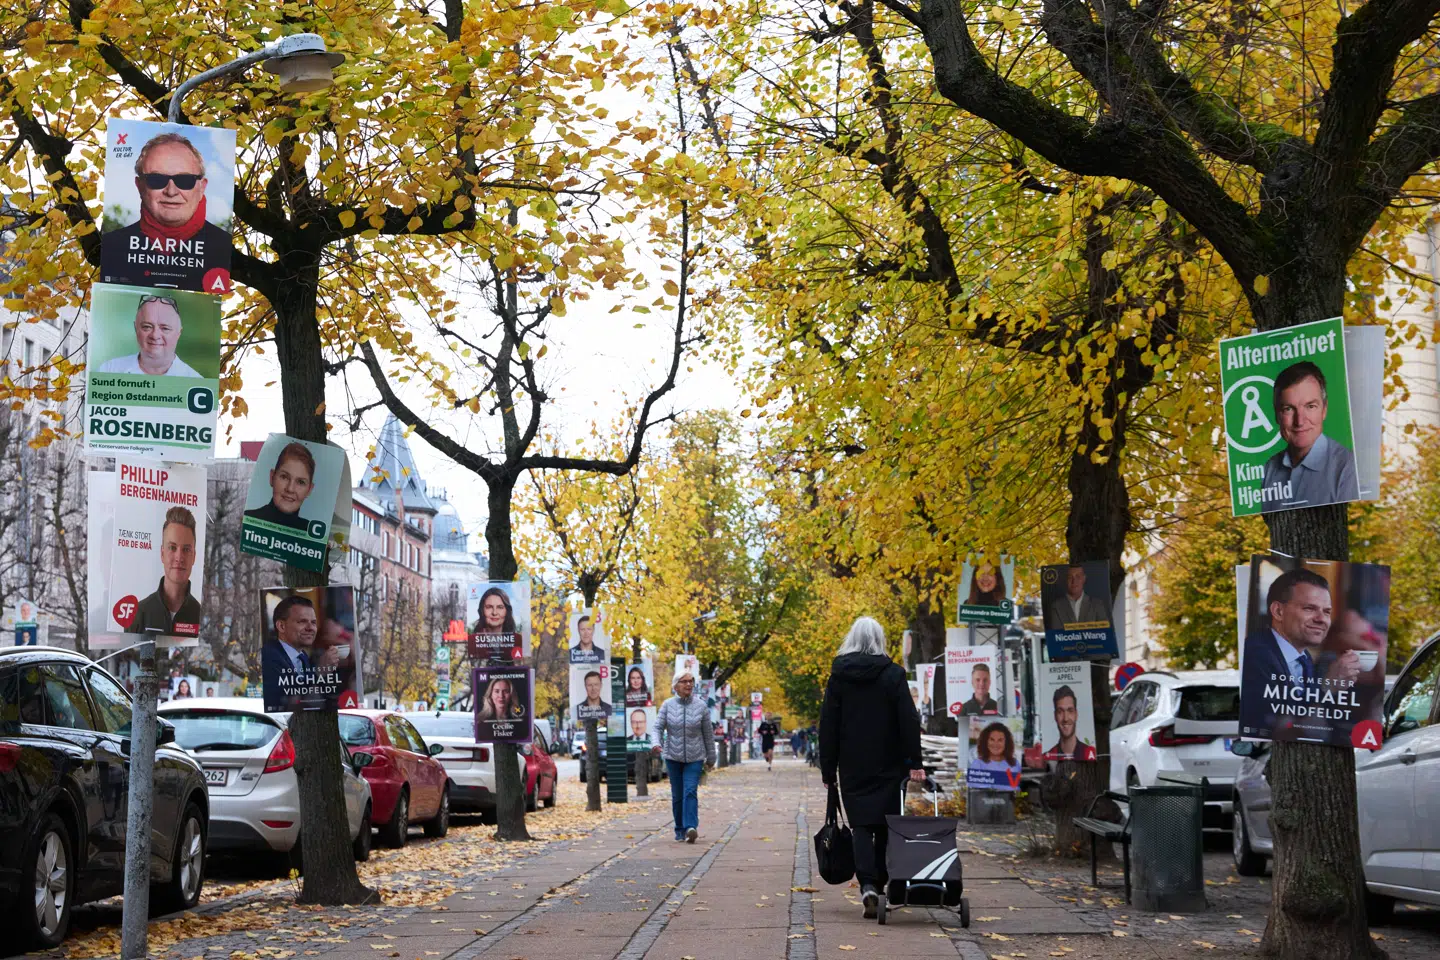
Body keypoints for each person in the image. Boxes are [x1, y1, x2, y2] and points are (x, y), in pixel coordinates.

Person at [819, 617, 924, 919]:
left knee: (861, 826)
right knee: (886, 824)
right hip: (888, 762)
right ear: (879, 639)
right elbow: (908, 720)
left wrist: (828, 769)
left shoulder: (838, 675)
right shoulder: (893, 675)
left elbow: (829, 724)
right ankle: (879, 882)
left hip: (852, 764)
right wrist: (914, 762)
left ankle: (866, 884)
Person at [100, 131, 232, 291]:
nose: (171, 191)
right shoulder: (112, 246)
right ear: (139, 185)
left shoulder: (224, 249)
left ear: (202, 187)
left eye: (185, 180)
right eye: (157, 180)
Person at [1240, 567, 1363, 737]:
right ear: (1278, 611)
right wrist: (1329, 685)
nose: (1321, 619)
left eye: (1326, 611)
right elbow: (1276, 726)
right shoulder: (1255, 654)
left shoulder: (1304, 658)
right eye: (1309, 608)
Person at [1259, 362, 1361, 513]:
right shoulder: (1270, 468)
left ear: (1324, 410)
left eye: (1310, 406)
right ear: (1277, 415)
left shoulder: (1349, 467)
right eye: (1288, 409)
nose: (1299, 421)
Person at [654, 672, 715, 843]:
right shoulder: (667, 705)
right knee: (677, 795)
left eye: (691, 681)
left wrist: (711, 758)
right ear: (676, 686)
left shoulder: (701, 706)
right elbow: (657, 727)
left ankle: (690, 827)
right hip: (672, 756)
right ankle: (680, 829)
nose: (688, 684)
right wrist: (656, 743)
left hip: (695, 756)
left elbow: (708, 735)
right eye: (684, 681)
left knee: (690, 791)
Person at [132, 506, 202, 637]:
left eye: (186, 549)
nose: (179, 557)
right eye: (172, 547)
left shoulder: (201, 616)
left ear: (194, 557)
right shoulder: (139, 613)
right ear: (162, 553)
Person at [261, 595, 340, 709]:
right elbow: (288, 702)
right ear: (281, 626)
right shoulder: (268, 657)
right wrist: (319, 671)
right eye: (302, 621)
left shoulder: (302, 656)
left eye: (313, 622)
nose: (311, 628)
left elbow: (307, 695)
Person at [98, 296, 202, 377]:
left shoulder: (196, 382)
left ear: (179, 333)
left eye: (165, 328)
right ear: (136, 328)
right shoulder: (109, 370)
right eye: (147, 327)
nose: (155, 335)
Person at [244, 442, 316, 530]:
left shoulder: (312, 533)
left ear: (309, 490)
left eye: (300, 482)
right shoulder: (249, 519)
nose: (290, 489)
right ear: (272, 477)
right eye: (284, 477)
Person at [1043, 564, 1111, 630]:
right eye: (1070, 577)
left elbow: (1104, 632)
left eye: (1078, 577)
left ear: (1084, 579)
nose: (1074, 581)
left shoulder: (1097, 604)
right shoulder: (1056, 606)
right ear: (1066, 580)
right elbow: (1056, 635)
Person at [1044, 685, 1097, 760]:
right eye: (1060, 712)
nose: (1065, 718)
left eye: (1070, 711)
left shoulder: (1090, 754)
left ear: (1076, 714)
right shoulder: (1048, 757)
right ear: (1055, 716)